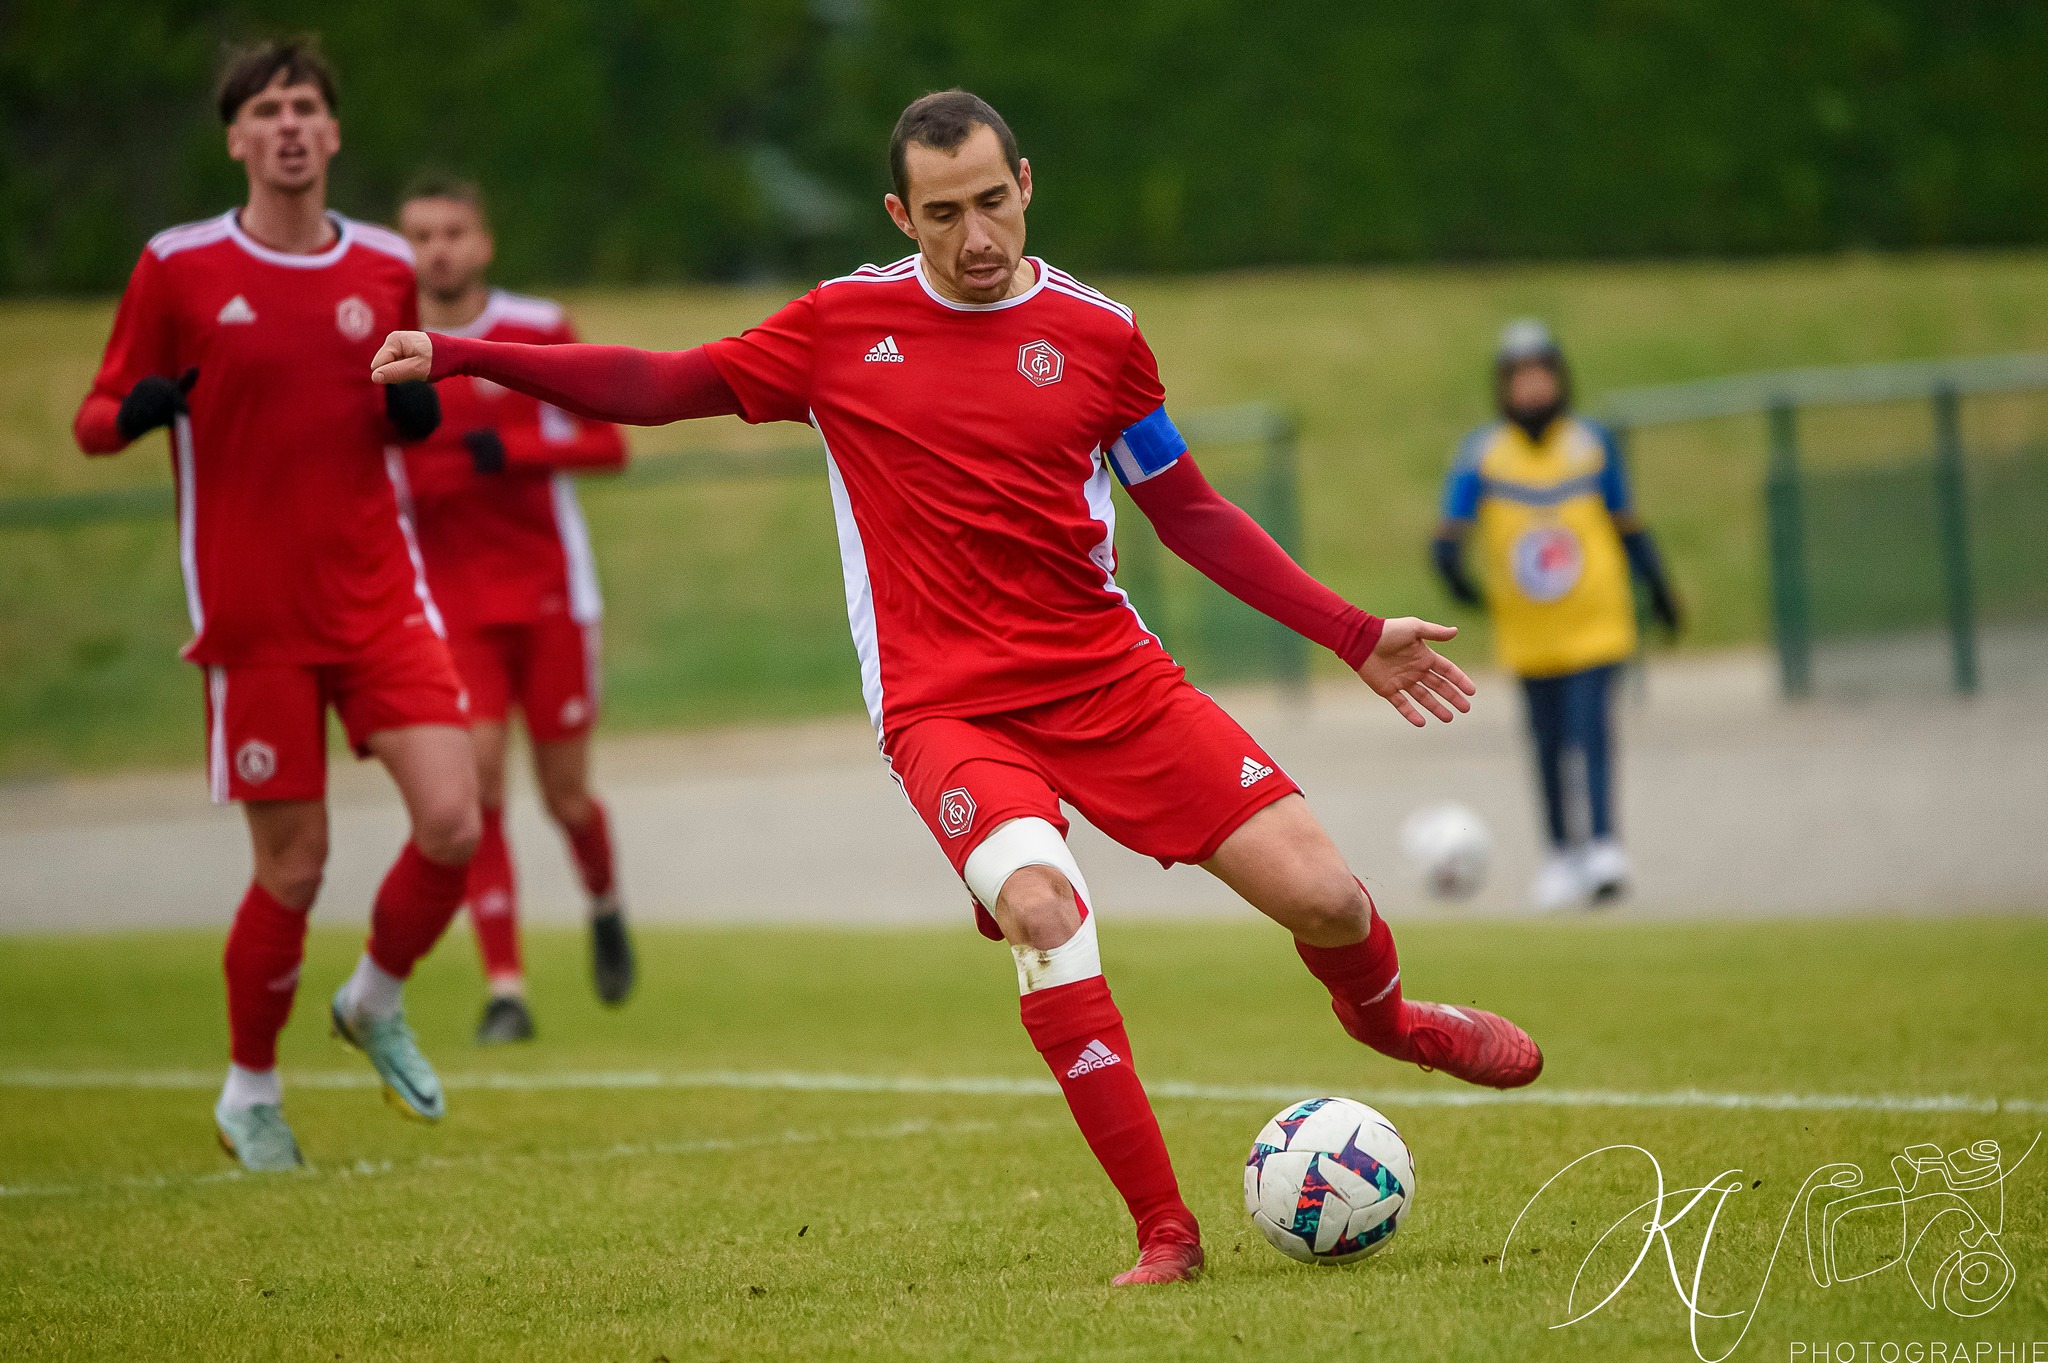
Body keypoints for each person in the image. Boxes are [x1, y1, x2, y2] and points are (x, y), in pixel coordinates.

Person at [371, 89, 1542, 1286]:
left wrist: (1348, 632)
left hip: (1110, 679)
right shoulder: (840, 326)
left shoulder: (1099, 335)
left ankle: (1395, 1025)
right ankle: (1165, 1230)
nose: (976, 237)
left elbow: (1184, 509)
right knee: (1044, 911)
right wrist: (464, 356)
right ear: (901, 213)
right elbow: (665, 383)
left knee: (1330, 901)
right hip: (945, 709)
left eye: (992, 202)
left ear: (1024, 183)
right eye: (944, 214)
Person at [72, 38, 479, 1170]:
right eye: (268, 110)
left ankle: (372, 1001)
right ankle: (250, 1091)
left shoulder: (387, 263)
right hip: (253, 620)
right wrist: (142, 409)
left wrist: (415, 411)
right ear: (237, 140)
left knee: (455, 816)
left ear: (334, 133)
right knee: (293, 868)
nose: (291, 125)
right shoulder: (178, 266)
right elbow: (94, 417)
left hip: (378, 597)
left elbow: (412, 398)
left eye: (307, 107)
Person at [396, 175, 636, 1043]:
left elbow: (608, 442)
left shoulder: (536, 329)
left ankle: (604, 903)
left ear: (484, 242)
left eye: (454, 231)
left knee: (566, 796)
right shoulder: (389, 348)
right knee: (479, 783)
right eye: (421, 235)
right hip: (454, 606)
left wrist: (515, 448)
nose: (438, 250)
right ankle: (506, 987)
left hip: (549, 598)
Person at [1431, 320, 1682, 911]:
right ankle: (1559, 854)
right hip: (1529, 629)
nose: (1532, 389)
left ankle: (1602, 846)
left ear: (1558, 379)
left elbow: (1627, 523)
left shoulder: (1591, 444)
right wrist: (1454, 572)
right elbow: (1450, 531)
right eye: (1520, 379)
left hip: (1597, 620)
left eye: (1540, 376)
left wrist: (1659, 587)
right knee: (1545, 741)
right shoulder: (1483, 452)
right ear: (1504, 386)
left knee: (1590, 728)